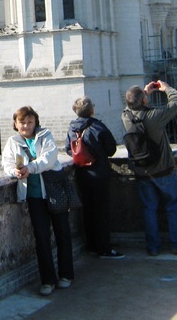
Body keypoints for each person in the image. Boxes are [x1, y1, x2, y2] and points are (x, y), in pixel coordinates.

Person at [1, 106, 74, 296]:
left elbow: (49, 159)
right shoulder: (12, 142)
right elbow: (7, 163)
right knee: (41, 238)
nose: (26, 125)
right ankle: (48, 280)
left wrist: (30, 168)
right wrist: (14, 171)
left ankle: (66, 274)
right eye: (22, 122)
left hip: (53, 190)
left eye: (29, 122)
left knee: (62, 232)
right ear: (16, 124)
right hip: (34, 196)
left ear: (36, 122)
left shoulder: (45, 135)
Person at [121, 80, 177, 256]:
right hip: (163, 170)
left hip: (142, 172)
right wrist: (167, 88)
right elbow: (176, 103)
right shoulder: (154, 117)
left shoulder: (125, 116)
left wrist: (143, 94)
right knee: (173, 206)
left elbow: (133, 107)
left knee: (149, 210)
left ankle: (153, 247)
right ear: (144, 101)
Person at [65, 96, 123, 259]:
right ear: (91, 110)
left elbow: (68, 150)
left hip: (82, 174)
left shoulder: (71, 128)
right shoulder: (98, 126)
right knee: (101, 212)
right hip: (99, 174)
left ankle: (91, 245)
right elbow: (111, 149)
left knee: (88, 210)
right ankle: (104, 248)